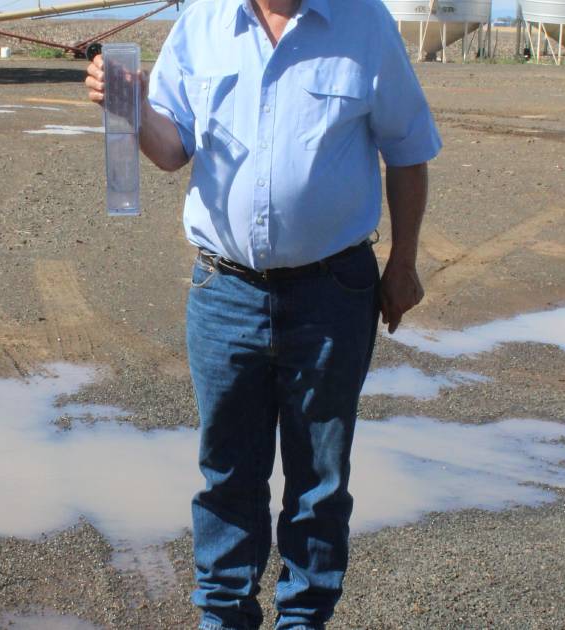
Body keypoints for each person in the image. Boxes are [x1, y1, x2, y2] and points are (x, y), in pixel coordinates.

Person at [86, 0, 440, 626]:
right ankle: (224, 618)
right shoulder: (203, 22)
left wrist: (403, 263)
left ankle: (303, 619)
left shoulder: (364, 22)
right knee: (227, 474)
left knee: (319, 481)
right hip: (225, 291)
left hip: (334, 293)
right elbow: (172, 149)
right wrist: (132, 108)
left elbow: (408, 149)